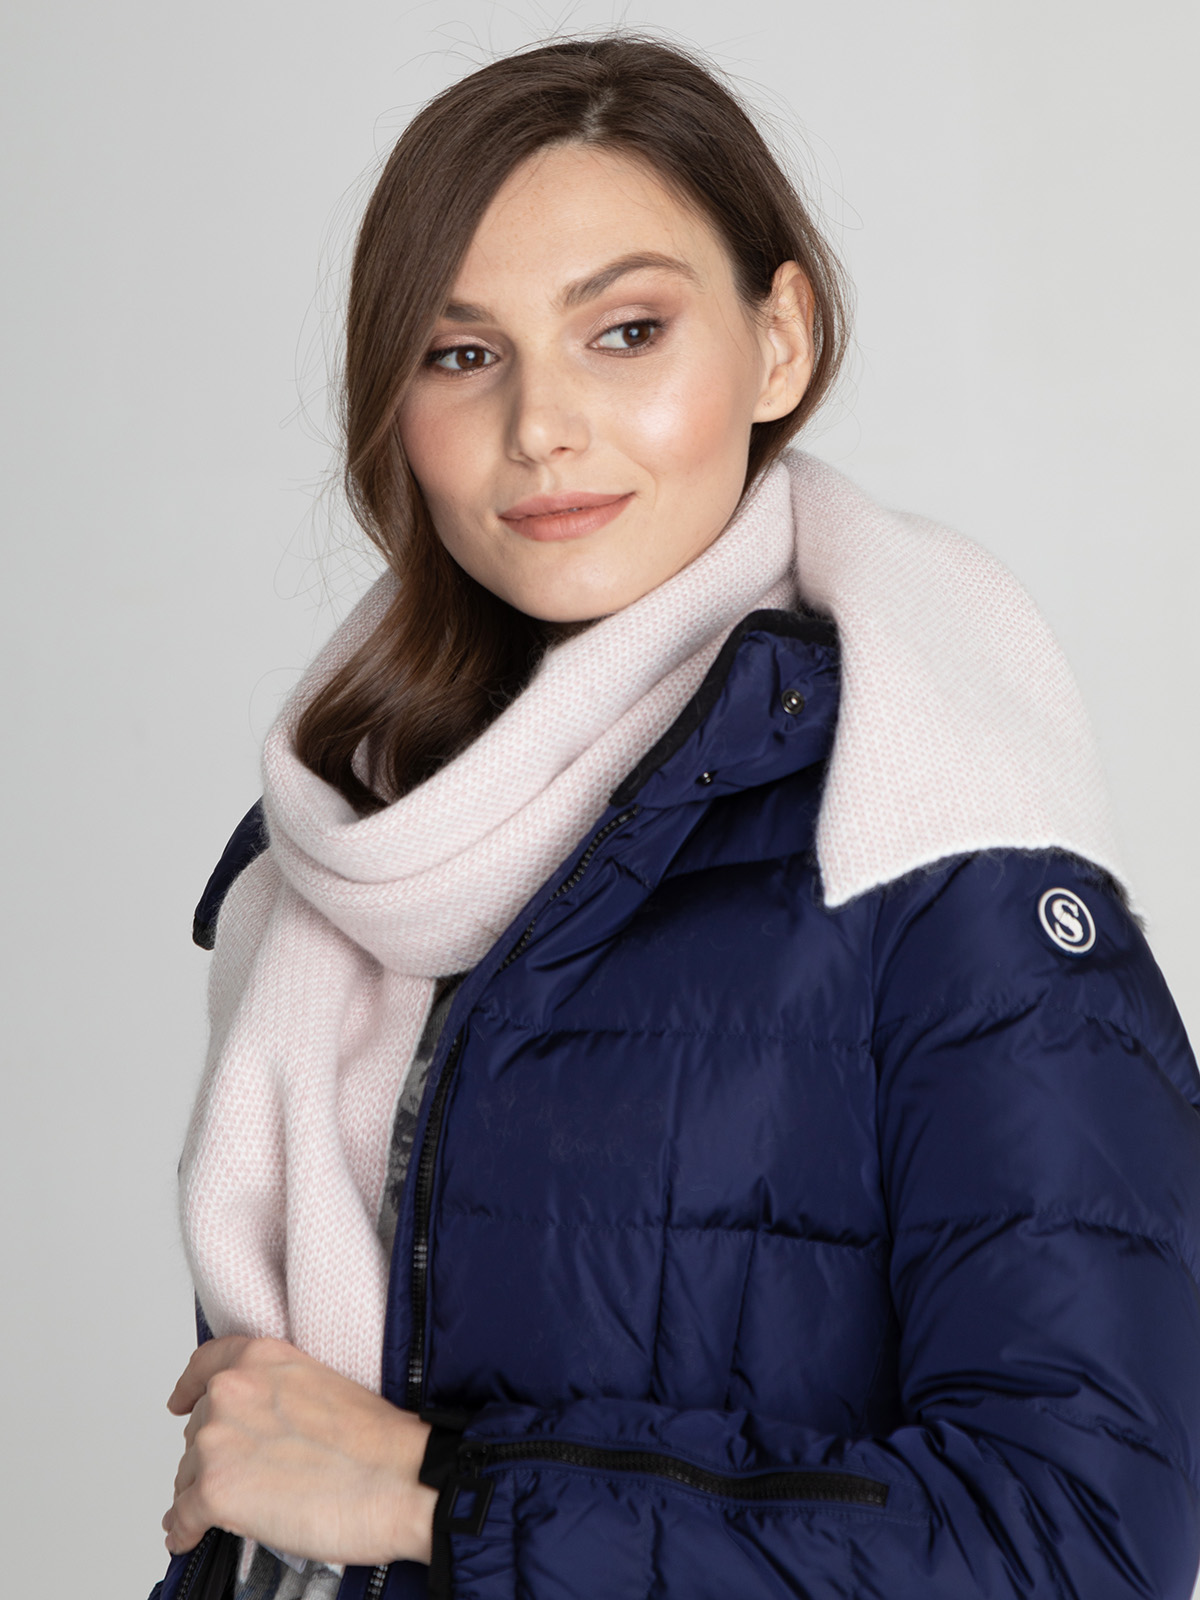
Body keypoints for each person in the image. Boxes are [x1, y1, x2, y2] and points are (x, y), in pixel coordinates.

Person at [152, 34, 1200, 1600]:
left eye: (626, 331)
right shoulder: (364, 833)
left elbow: (1085, 1540)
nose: (541, 425)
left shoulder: (933, 851)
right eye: (462, 354)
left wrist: (438, 1495)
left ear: (780, 341)